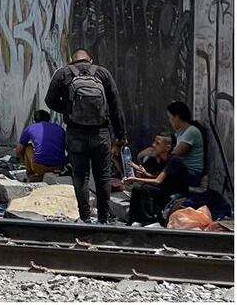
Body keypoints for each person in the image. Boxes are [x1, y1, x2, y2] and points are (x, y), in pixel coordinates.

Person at [44, 48, 126, 224]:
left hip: (75, 133)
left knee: (81, 175)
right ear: (91, 59)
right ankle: (103, 218)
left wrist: (69, 109)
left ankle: (85, 217)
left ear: (70, 60)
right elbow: (115, 105)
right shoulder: (103, 73)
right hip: (101, 133)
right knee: (103, 176)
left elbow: (49, 101)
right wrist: (121, 135)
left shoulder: (63, 74)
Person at [123, 132, 190, 225]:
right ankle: (134, 220)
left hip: (174, 196)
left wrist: (134, 179)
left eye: (157, 143)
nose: (153, 145)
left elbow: (157, 181)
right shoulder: (161, 159)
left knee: (145, 188)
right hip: (165, 190)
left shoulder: (174, 160)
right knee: (137, 188)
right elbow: (160, 177)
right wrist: (145, 174)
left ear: (167, 148)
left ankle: (149, 221)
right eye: (154, 142)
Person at [16, 109, 67, 182]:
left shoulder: (30, 128)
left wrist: (23, 160)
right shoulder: (59, 128)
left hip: (39, 167)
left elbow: (18, 150)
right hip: (59, 166)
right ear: (49, 119)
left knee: (28, 147)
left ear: (34, 120)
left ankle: (31, 173)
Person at [166, 100, 206, 187]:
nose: (169, 121)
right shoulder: (180, 133)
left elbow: (176, 154)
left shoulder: (191, 131)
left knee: (173, 162)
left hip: (192, 174)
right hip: (184, 172)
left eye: (170, 117)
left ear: (176, 117)